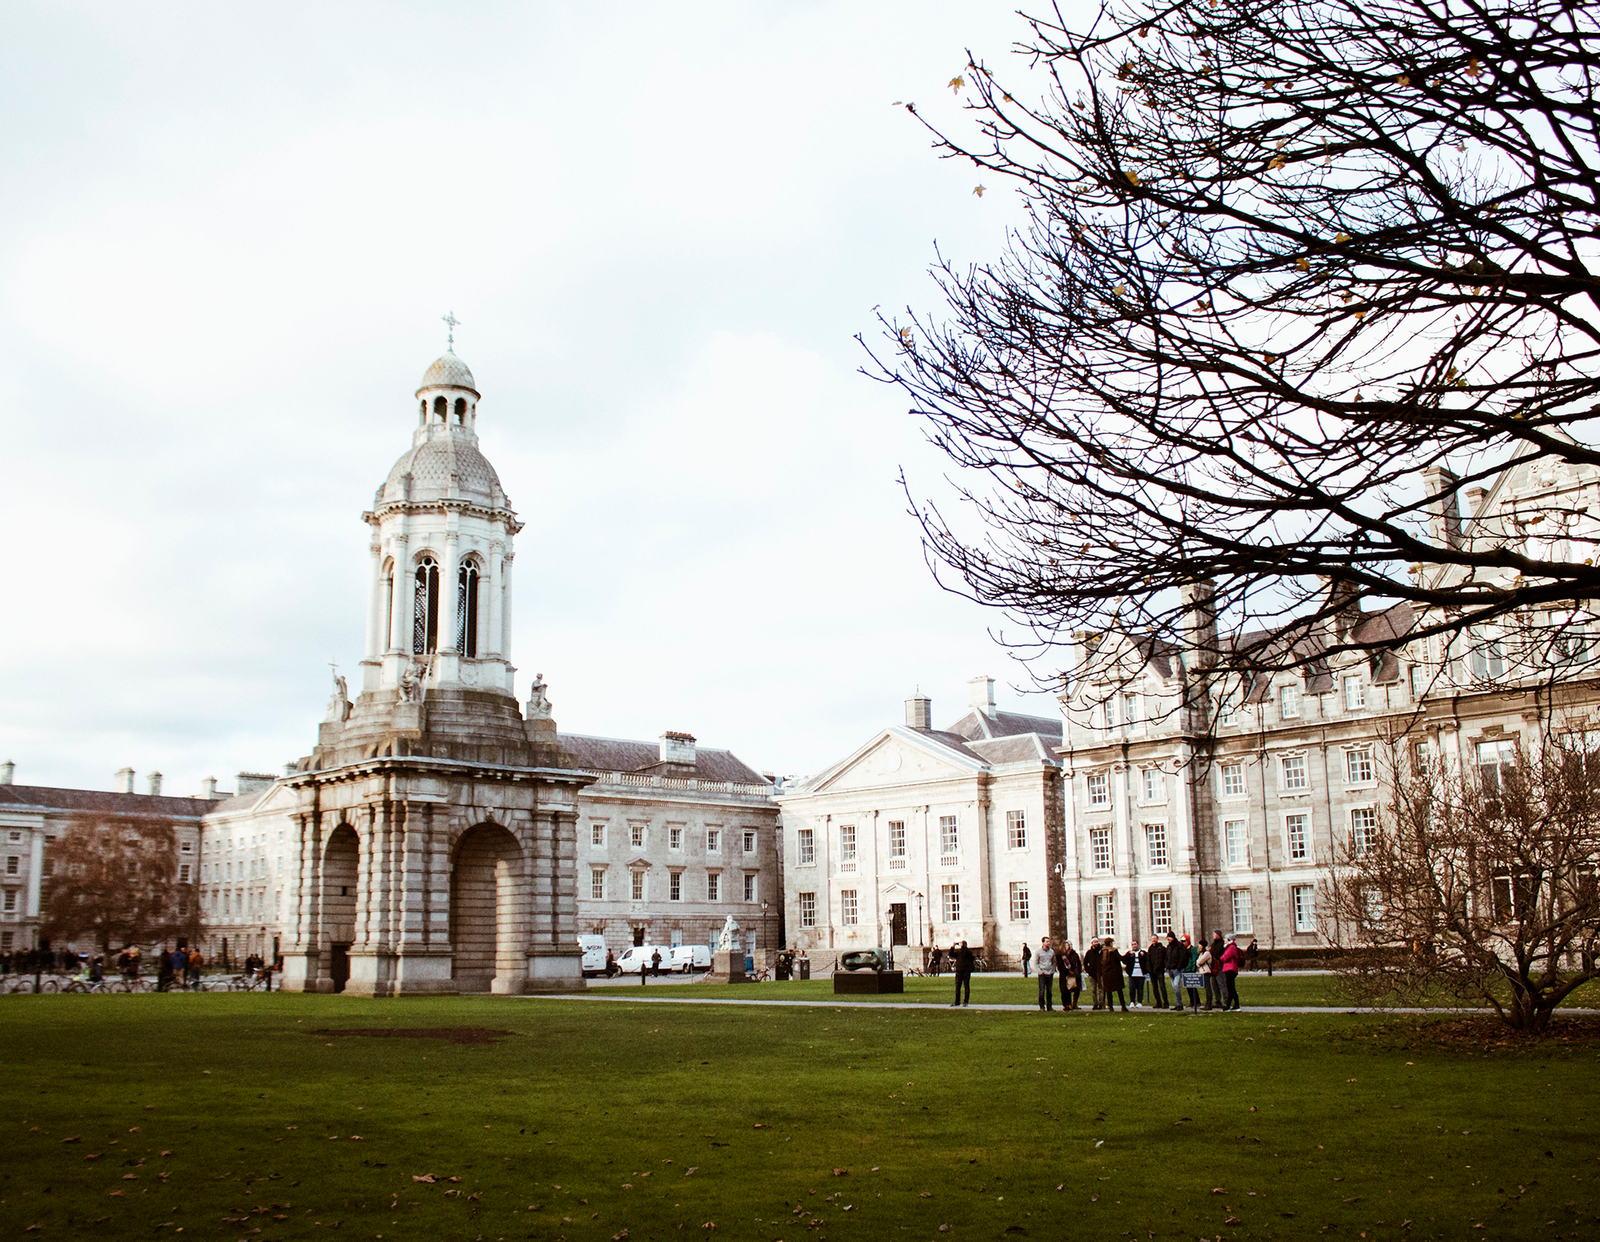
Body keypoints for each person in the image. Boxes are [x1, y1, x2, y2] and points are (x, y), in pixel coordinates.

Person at [1099, 938, 1127, 1011]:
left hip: (1106, 973)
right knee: (1119, 990)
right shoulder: (1113, 951)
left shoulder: (1102, 952)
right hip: (1115, 973)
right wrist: (1128, 955)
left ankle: (1110, 1006)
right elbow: (1120, 958)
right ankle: (1123, 1006)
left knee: (1109, 991)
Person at [1164, 932, 1185, 1013]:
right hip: (1170, 968)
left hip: (1177, 968)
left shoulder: (1179, 946)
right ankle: (1178, 1003)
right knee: (1174, 986)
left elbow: (1183, 956)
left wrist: (1179, 966)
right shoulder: (1169, 947)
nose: (1168, 939)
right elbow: (1167, 957)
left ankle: (1179, 1004)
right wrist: (1166, 966)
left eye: (1169, 937)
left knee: (1176, 986)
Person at [1147, 935, 1169, 1009]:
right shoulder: (1150, 948)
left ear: (1157, 939)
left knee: (1162, 986)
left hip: (1159, 970)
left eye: (1155, 939)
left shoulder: (1161, 948)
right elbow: (1148, 959)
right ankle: (1158, 1002)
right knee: (1154, 987)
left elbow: (1165, 958)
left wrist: (1163, 966)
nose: (1153, 940)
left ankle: (1166, 1002)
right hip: (1152, 971)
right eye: (1152, 939)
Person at [1221, 934, 1242, 1010]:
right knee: (1231, 987)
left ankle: (1228, 1005)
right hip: (1229, 968)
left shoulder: (1231, 947)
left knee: (1230, 987)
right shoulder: (1229, 947)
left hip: (1230, 968)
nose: (1224, 939)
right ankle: (1235, 1004)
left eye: (1226, 938)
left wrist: (1222, 958)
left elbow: (1225, 957)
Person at [1034, 937, 1055, 1011]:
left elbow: (1053, 962)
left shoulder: (1051, 952)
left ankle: (1049, 1006)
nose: (1048, 943)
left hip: (1050, 973)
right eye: (1047, 942)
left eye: (1049, 942)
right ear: (1043, 943)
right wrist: (1040, 971)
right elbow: (1036, 963)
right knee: (1042, 991)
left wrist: (1052, 970)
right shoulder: (1038, 952)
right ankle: (1042, 1006)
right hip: (1042, 974)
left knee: (1049, 991)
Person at [951, 940, 975, 1007]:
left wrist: (953, 946)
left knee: (960, 987)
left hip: (962, 971)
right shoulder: (965, 952)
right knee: (964, 987)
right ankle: (963, 1001)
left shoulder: (963, 952)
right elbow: (951, 954)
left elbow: (951, 954)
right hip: (963, 971)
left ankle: (959, 1001)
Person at [1060, 941, 1082, 1010]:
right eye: (1066, 945)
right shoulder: (1062, 955)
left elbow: (1078, 963)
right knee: (1066, 990)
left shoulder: (1074, 954)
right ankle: (1067, 1004)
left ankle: (1075, 1003)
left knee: (1076, 989)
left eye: (1069, 945)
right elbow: (1060, 965)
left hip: (1074, 973)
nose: (1068, 946)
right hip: (1065, 974)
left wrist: (1077, 970)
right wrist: (1068, 971)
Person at [1083, 939, 1104, 1009]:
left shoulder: (1101, 952)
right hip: (1092, 974)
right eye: (1094, 942)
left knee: (1101, 989)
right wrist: (1088, 971)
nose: (1096, 943)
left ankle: (1101, 1003)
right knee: (1093, 989)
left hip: (1100, 973)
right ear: (1091, 943)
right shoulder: (1089, 952)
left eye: (1097, 942)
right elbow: (1085, 962)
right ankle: (1095, 1003)